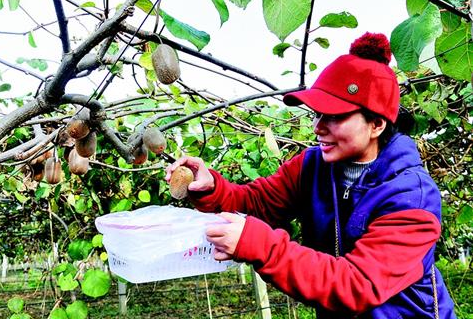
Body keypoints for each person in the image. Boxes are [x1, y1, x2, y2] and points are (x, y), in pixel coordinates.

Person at [165, 33, 456, 318]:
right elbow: (257, 202)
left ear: (376, 125)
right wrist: (211, 187)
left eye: (335, 115)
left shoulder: (412, 197)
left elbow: (357, 284)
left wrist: (261, 247)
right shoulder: (313, 166)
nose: (318, 126)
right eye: (317, 113)